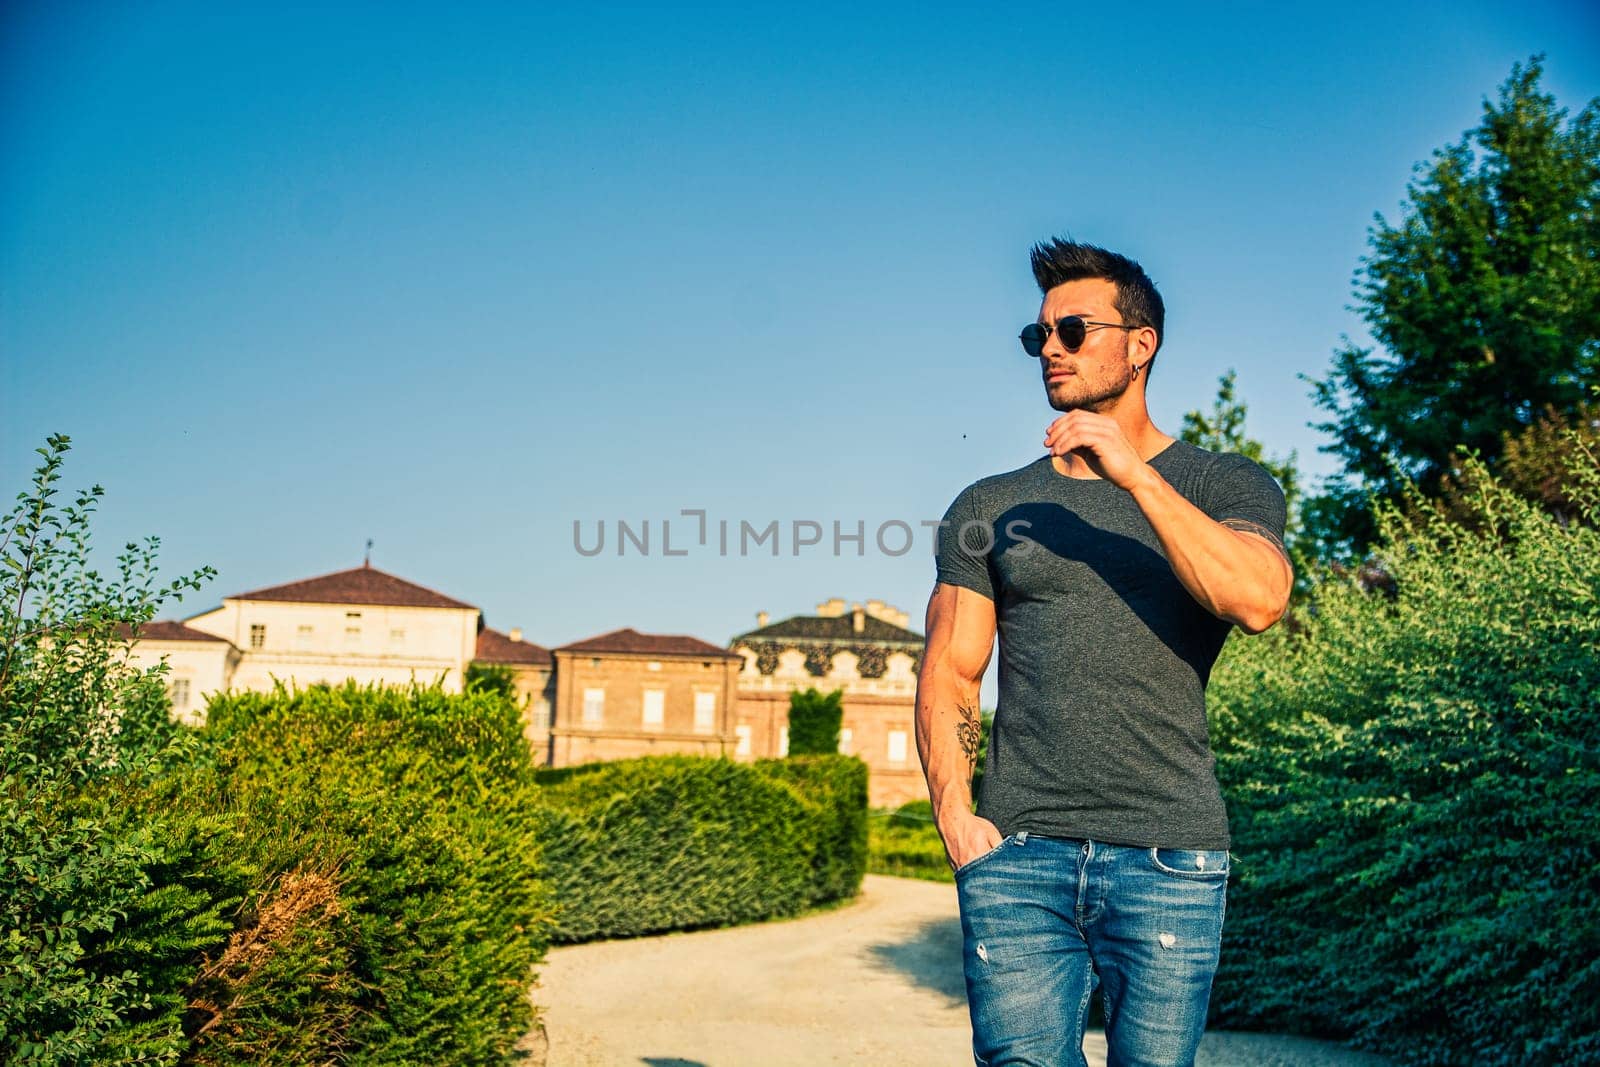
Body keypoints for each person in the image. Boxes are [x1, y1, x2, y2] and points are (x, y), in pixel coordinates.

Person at [916, 238, 1292, 1067]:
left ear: (1140, 344)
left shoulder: (1224, 484)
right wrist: (953, 809)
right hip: (1017, 855)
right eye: (1039, 333)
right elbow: (951, 667)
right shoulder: (992, 505)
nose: (1050, 346)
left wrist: (1135, 478)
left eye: (1075, 328)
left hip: (1170, 855)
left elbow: (1259, 599)